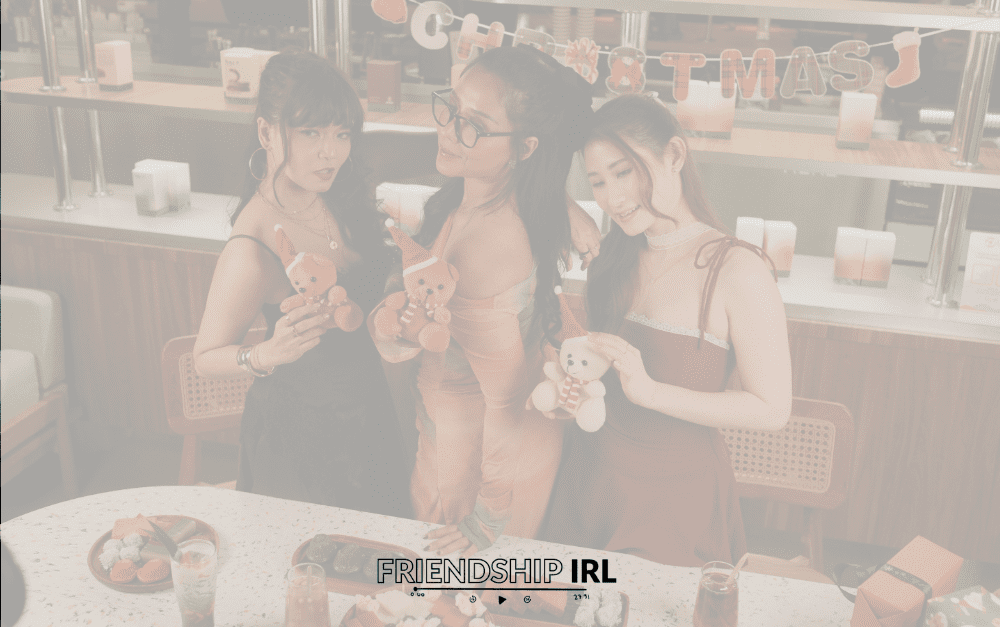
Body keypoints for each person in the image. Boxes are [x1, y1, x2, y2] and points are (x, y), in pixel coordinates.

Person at [543, 92, 792, 566]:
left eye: (624, 172)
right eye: (596, 182)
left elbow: (772, 409)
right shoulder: (610, 258)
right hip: (588, 482)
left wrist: (651, 392)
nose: (612, 198)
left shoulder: (739, 269)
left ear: (674, 155)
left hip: (674, 503)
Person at [369, 45, 599, 554]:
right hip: (456, 436)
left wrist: (487, 518)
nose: (448, 129)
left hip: (480, 467)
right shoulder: (473, 191)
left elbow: (506, 401)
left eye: (472, 123)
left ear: (525, 148)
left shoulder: (490, 241)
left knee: (459, 603)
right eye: (449, 108)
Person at [193, 50, 409, 514]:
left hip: (367, 414)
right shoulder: (251, 247)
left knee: (378, 568)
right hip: (299, 441)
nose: (330, 151)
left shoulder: (339, 190)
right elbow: (205, 358)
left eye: (341, 133)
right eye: (309, 132)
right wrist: (267, 354)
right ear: (266, 132)